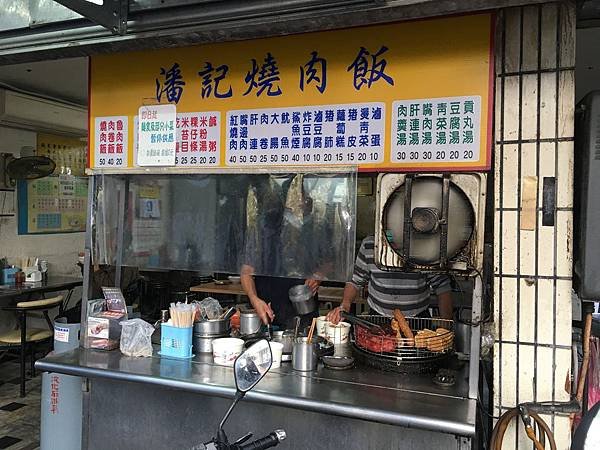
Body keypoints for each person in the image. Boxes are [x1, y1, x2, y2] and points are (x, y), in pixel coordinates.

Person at [327, 235, 453, 323]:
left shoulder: (424, 247)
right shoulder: (370, 244)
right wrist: (344, 305)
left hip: (417, 321)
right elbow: (355, 281)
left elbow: (442, 287)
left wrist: (446, 326)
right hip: (378, 320)